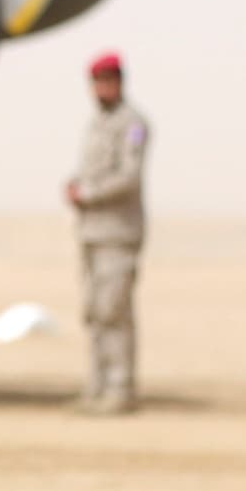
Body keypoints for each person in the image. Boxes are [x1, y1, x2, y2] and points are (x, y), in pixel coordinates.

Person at [66, 52, 148, 412]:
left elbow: (129, 177)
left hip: (119, 233)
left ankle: (120, 388)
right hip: (91, 233)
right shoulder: (95, 124)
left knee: (113, 310)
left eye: (108, 81)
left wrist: (88, 194)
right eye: (97, 82)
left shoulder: (133, 124)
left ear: (119, 82)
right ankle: (97, 386)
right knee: (94, 312)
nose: (102, 88)